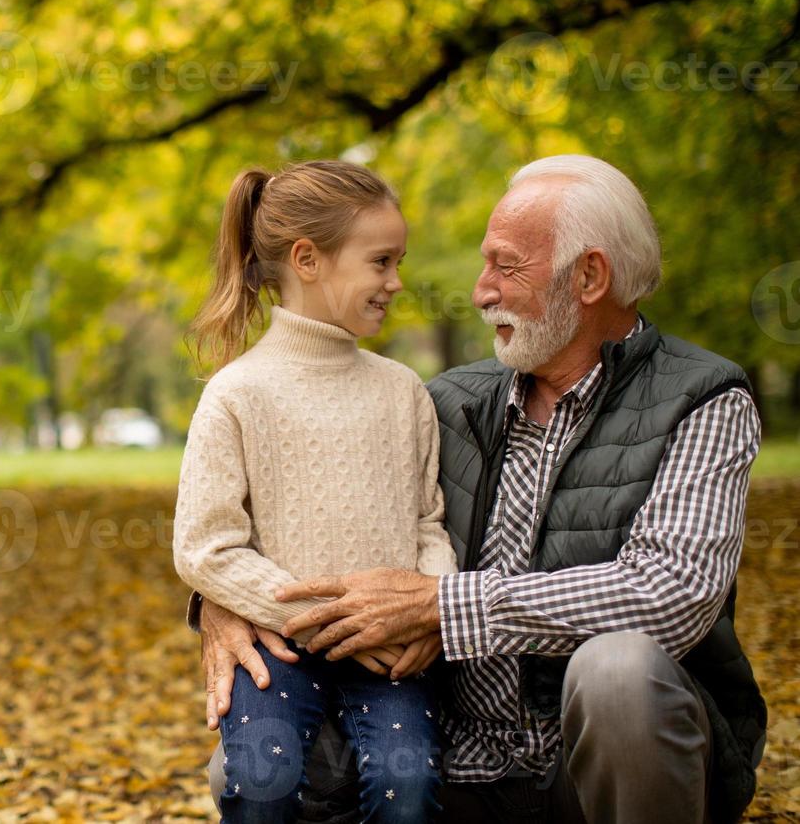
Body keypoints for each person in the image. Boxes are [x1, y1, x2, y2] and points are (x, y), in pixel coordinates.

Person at [187, 155, 766, 824]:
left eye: (506, 266)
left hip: (589, 775)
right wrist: (221, 603)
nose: (480, 291)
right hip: (451, 762)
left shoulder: (702, 399)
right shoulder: (445, 401)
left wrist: (445, 606)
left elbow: (672, 593)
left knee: (619, 673)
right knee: (246, 760)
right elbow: (315, 497)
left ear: (589, 276)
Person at [173, 159, 459, 823]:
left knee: (407, 787)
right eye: (381, 262)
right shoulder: (237, 394)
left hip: (390, 651)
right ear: (307, 258)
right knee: (263, 778)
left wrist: (434, 607)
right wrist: (330, 621)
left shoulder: (401, 391)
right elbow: (205, 548)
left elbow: (427, 523)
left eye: (399, 262)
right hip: (278, 645)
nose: (397, 282)